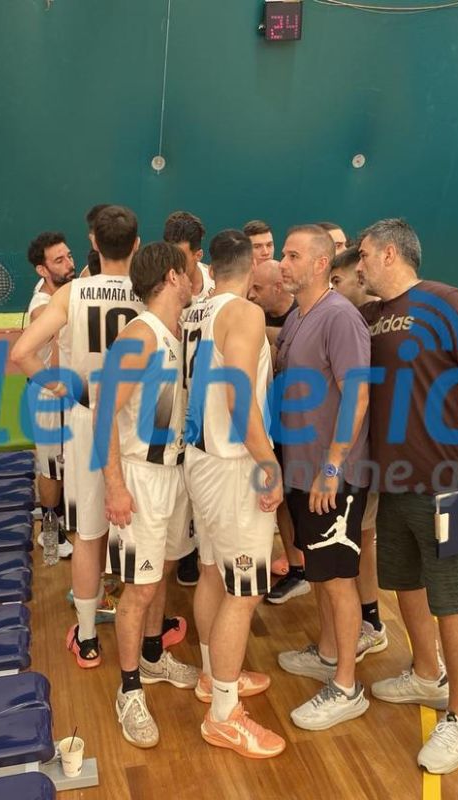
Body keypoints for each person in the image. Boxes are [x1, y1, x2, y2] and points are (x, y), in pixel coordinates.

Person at [358, 218, 458, 774]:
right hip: (394, 482)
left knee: (455, 601)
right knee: (407, 584)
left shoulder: (446, 302)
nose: (360, 263)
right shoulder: (373, 316)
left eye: (364, 254)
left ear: (390, 253)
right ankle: (426, 673)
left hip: (450, 482)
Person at [12, 206, 187, 669]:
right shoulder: (149, 292)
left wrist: (67, 390)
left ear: (92, 242)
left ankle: (88, 638)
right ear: (137, 244)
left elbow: (22, 352)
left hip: (88, 423)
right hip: (139, 431)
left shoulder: (71, 293)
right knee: (143, 536)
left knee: (88, 536)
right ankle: (147, 635)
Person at [185, 229, 285, 758]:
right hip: (233, 463)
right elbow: (239, 398)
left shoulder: (194, 312)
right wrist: (268, 463)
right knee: (243, 591)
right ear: (251, 266)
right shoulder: (243, 313)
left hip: (201, 459)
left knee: (210, 572)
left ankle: (213, 676)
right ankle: (223, 716)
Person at [99, 241, 200, 748]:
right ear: (173, 277)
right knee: (138, 588)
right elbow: (102, 417)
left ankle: (154, 655)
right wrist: (115, 486)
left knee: (161, 572)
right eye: (189, 270)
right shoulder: (137, 338)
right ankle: (129, 689)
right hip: (140, 477)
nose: (196, 276)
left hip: (176, 473)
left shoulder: (178, 332)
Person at [274, 224, 372, 731]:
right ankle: (329, 652)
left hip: (334, 476)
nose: (282, 263)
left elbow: (358, 393)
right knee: (319, 573)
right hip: (300, 470)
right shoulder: (297, 316)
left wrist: (332, 466)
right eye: (282, 254)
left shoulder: (340, 317)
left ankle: (347, 686)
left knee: (337, 580)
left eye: (291, 255)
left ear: (319, 264)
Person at [328, 246, 388, 659]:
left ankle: (370, 623)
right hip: (368, 450)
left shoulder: (361, 319)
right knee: (363, 538)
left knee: (364, 541)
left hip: (370, 453)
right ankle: (370, 620)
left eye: (338, 280)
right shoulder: (356, 317)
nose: (333, 288)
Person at [246, 257, 306, 602]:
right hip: (271, 428)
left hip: (302, 430)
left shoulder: (301, 316)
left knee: (302, 501)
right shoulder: (254, 314)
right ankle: (297, 568)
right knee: (282, 502)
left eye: (258, 288)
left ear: (278, 288)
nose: (251, 294)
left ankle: (315, 567)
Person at [162, 210, 217, 587]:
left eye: (182, 257)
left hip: (209, 400)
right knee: (178, 477)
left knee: (204, 477)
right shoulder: (160, 282)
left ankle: (201, 549)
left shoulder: (218, 283)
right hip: (173, 399)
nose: (175, 265)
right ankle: (182, 550)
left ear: (198, 255)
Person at [24, 231, 77, 559]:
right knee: (51, 469)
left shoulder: (59, 290)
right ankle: (49, 534)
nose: (69, 263)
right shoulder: (42, 308)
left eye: (69, 255)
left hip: (62, 393)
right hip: (48, 394)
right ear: (42, 270)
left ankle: (63, 519)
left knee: (63, 464)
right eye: (59, 260)